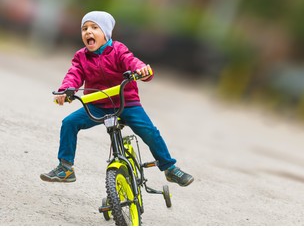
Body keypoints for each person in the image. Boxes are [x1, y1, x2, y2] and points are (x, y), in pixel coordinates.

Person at [40, 11, 194, 187]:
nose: (88, 32)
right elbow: (74, 74)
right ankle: (65, 167)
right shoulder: (81, 57)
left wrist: (142, 71)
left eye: (94, 27)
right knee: (69, 122)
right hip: (98, 105)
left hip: (126, 103)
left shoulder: (118, 50)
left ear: (105, 32)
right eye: (84, 28)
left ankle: (170, 168)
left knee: (150, 131)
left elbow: (132, 62)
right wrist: (65, 90)